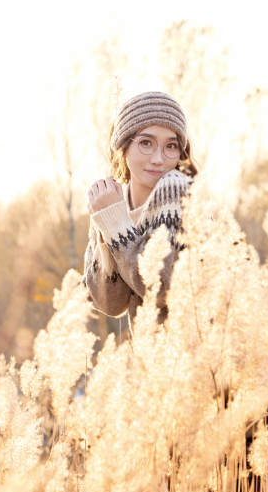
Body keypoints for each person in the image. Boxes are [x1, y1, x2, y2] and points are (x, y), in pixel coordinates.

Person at [82, 90, 198, 336]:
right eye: (146, 143)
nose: (158, 159)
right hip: (158, 352)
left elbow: (162, 288)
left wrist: (116, 226)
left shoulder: (175, 188)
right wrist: (107, 222)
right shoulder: (112, 202)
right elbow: (110, 303)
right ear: (123, 146)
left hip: (214, 348)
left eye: (171, 146)